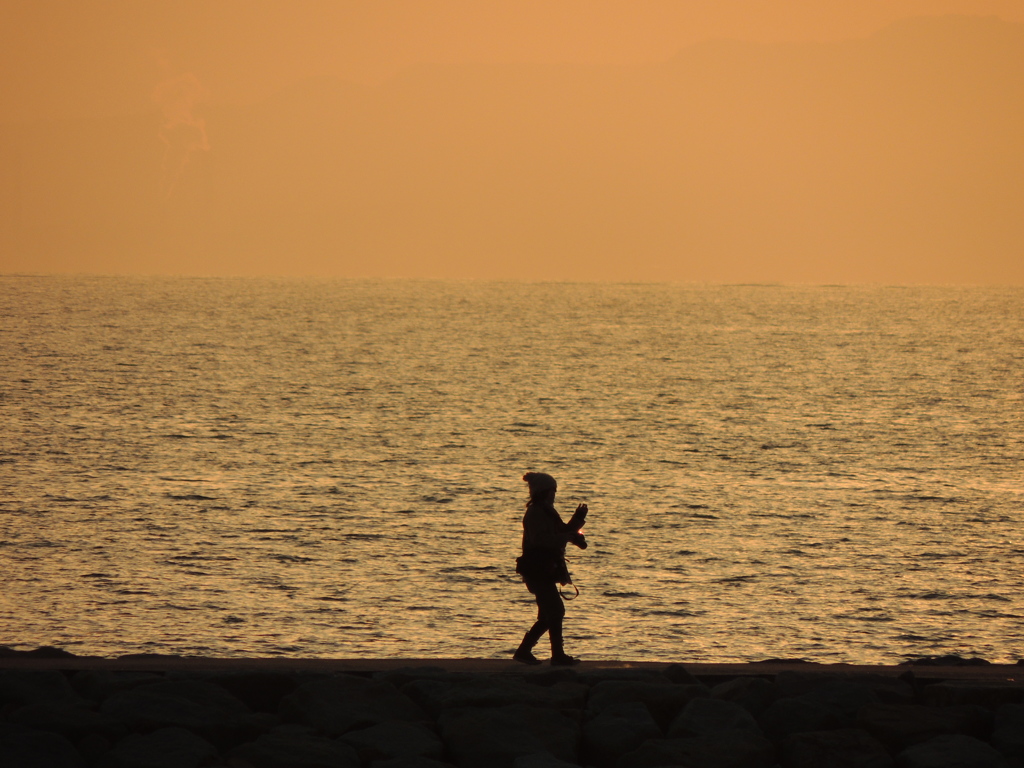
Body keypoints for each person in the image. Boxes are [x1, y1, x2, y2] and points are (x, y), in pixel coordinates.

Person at [513, 471, 589, 666]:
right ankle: (555, 655)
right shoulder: (536, 512)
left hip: (545, 569)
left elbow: (561, 532)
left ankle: (525, 651)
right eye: (552, 490)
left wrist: (577, 520)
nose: (554, 494)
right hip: (538, 570)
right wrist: (567, 537)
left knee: (549, 614)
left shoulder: (546, 511)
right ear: (544, 491)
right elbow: (541, 540)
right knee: (555, 611)